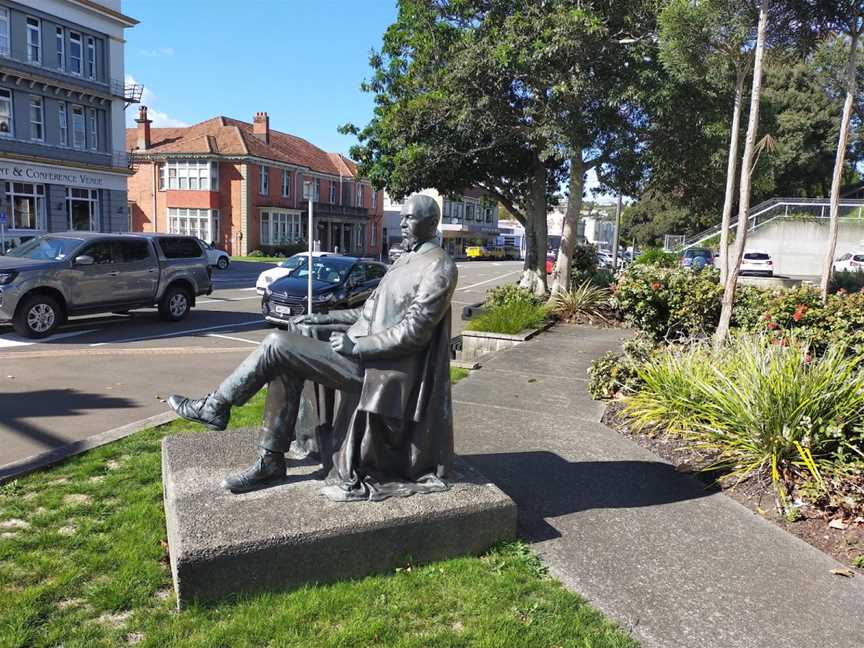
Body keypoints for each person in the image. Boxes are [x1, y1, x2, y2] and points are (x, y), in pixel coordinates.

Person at [167, 194, 458, 498]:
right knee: (285, 355)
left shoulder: (439, 266)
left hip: (382, 368)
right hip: (361, 354)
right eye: (402, 218)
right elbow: (369, 313)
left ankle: (215, 406)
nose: (402, 224)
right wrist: (323, 318)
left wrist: (357, 347)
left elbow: (414, 332)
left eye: (410, 218)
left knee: (277, 343)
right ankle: (269, 460)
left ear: (430, 222)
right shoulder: (406, 259)